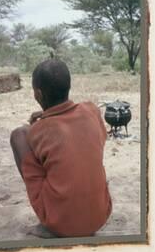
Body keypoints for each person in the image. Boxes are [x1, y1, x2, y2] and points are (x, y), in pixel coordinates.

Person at [9, 59, 112, 237]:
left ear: (38, 95)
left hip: (60, 223)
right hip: (99, 217)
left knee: (18, 135)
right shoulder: (92, 111)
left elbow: (34, 137)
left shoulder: (38, 130)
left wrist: (37, 123)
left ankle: (47, 222)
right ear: (68, 86)